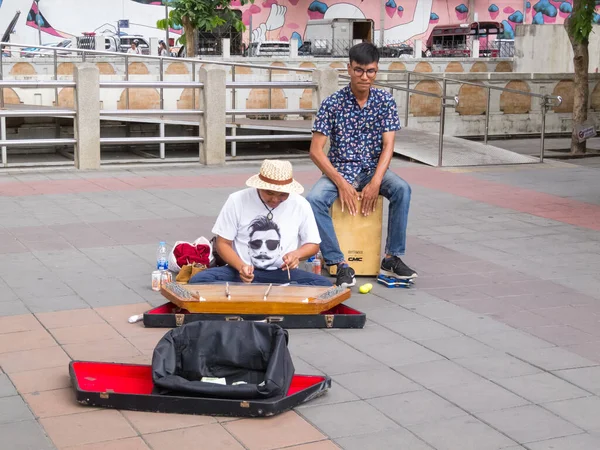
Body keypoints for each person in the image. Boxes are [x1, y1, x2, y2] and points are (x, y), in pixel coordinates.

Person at [306, 42, 417, 288]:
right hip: (339, 171)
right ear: (349, 69)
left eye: (371, 71)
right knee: (313, 200)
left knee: (402, 190)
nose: (364, 77)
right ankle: (339, 262)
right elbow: (315, 151)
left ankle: (392, 257)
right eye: (359, 70)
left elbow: (389, 146)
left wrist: (376, 181)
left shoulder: (385, 101)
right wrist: (341, 183)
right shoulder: (332, 103)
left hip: (372, 171)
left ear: (376, 71)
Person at [189, 159, 332, 286]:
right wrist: (241, 267)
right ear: (259, 186)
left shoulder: (301, 204)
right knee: (199, 280)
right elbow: (222, 243)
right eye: (269, 193)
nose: (275, 200)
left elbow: (313, 244)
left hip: (282, 273)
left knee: (323, 284)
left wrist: (297, 254)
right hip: (241, 271)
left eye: (282, 194)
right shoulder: (237, 200)